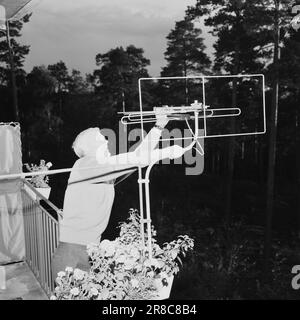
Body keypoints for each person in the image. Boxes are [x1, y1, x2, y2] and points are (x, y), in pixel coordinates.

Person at [51, 109, 186, 279]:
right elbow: (140, 158)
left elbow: (138, 158)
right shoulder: (84, 166)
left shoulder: (103, 170)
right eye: (101, 139)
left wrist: (159, 127)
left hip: (91, 251)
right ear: (92, 146)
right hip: (71, 253)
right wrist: (166, 152)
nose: (107, 141)